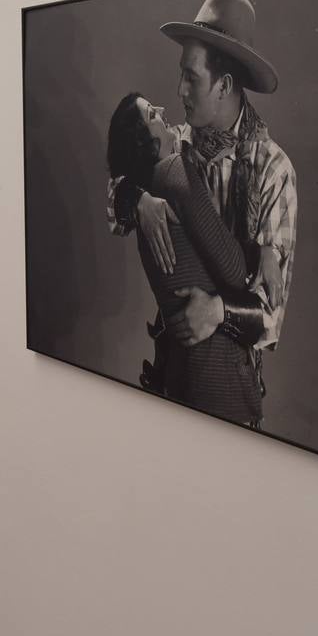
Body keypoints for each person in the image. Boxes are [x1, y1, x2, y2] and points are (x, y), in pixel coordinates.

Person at [108, 0, 298, 423]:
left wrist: (218, 311)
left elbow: (271, 317)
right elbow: (119, 182)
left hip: (227, 390)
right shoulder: (177, 145)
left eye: (191, 78)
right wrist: (138, 200)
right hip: (171, 381)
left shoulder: (273, 171)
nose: (178, 90)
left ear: (224, 85)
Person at [107, 93, 268, 423]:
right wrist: (261, 250)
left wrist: (135, 197)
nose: (164, 110)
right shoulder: (175, 172)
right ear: (146, 142)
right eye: (152, 114)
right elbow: (235, 272)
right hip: (217, 378)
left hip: (185, 374)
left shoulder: (149, 194)